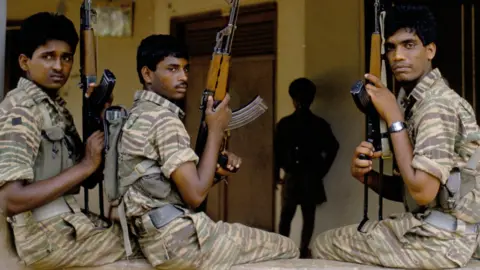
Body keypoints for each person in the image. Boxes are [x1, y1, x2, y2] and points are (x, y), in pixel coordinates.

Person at [312, 4, 480, 269]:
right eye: (391, 47)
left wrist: (394, 118)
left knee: (323, 243)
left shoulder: (436, 106)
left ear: (430, 50)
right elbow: (417, 193)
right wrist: (368, 178)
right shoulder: (421, 103)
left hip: (443, 241)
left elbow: (423, 192)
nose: (398, 56)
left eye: (409, 45)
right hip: (443, 232)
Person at [116, 34, 299, 269]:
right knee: (286, 247)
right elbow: (194, 195)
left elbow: (165, 187)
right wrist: (216, 130)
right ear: (147, 74)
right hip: (179, 242)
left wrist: (216, 171)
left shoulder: (139, 114)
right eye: (172, 69)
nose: (183, 77)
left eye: (185, 69)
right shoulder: (163, 121)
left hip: (155, 237)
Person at [0, 12, 141, 269]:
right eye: (48, 56)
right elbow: (10, 200)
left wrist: (99, 121)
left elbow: (88, 179)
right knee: (152, 248)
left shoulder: (54, 108)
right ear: (24, 62)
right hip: (43, 236)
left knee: (145, 237)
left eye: (66, 58)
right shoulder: (21, 110)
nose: (59, 66)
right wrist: (85, 165)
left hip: (65, 224)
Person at [274, 78, 339, 258]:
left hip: (295, 176)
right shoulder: (318, 123)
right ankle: (301, 250)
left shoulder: (285, 123)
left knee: (287, 216)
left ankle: (283, 250)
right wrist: (321, 171)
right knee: (305, 215)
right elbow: (333, 147)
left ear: (293, 100)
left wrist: (276, 174)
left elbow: (276, 152)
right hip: (308, 176)